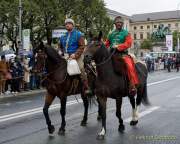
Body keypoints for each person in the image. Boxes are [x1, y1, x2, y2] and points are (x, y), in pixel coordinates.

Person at [105, 16, 139, 96]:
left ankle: (132, 85)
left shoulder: (126, 33)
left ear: (122, 24)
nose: (119, 24)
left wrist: (118, 46)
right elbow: (107, 43)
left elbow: (128, 43)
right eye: (117, 23)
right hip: (111, 54)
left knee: (129, 65)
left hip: (122, 54)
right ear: (115, 24)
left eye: (120, 23)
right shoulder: (111, 34)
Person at [59, 18, 90, 94]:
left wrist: (75, 55)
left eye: (69, 24)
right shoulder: (63, 36)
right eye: (66, 24)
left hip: (77, 56)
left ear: (73, 25)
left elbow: (82, 46)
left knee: (80, 68)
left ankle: (86, 87)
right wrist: (60, 52)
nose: (67, 25)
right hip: (66, 56)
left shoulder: (78, 34)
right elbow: (60, 47)